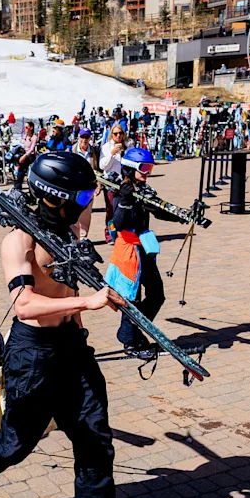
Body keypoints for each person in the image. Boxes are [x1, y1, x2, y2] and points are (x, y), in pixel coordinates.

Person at [0, 153, 151, 498]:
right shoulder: (18, 240)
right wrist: (88, 301)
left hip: (73, 350)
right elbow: (23, 304)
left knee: (95, 441)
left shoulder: (70, 228)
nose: (85, 202)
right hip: (33, 356)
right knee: (17, 442)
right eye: (79, 195)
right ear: (54, 197)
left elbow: (84, 244)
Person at [106, 149, 181, 353]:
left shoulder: (143, 189)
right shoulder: (121, 191)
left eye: (150, 168)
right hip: (129, 250)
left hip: (144, 249)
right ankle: (130, 341)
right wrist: (125, 200)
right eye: (144, 168)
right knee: (132, 298)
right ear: (130, 168)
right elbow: (119, 223)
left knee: (157, 294)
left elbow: (158, 211)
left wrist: (183, 215)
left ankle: (134, 332)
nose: (147, 172)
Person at [99, 125, 127, 242]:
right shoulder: (106, 147)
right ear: (112, 134)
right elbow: (103, 166)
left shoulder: (128, 146)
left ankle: (122, 234)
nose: (118, 136)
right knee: (111, 210)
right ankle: (110, 234)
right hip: (111, 183)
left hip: (124, 182)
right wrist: (112, 154)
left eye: (120, 133)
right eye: (115, 134)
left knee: (124, 209)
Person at [72, 128, 100, 239]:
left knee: (86, 214)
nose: (84, 139)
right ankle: (74, 237)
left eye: (87, 137)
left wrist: (99, 184)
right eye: (82, 137)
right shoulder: (72, 150)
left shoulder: (94, 152)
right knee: (73, 213)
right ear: (78, 137)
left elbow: (98, 169)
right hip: (74, 187)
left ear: (90, 138)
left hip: (88, 187)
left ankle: (83, 237)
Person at [13, 122, 39, 192]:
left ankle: (32, 191)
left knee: (30, 174)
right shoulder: (25, 136)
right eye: (24, 127)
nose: (25, 129)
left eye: (26, 127)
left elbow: (32, 149)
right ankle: (17, 188)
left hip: (30, 156)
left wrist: (25, 156)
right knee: (20, 172)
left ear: (31, 128)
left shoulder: (34, 137)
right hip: (24, 153)